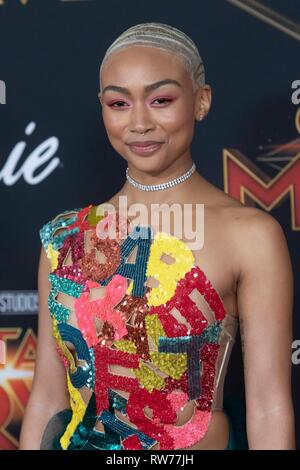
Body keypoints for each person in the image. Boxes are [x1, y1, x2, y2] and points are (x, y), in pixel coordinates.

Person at [20, 22, 295, 450]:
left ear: (201, 101)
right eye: (119, 103)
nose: (140, 123)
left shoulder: (251, 236)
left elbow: (269, 405)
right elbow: (48, 399)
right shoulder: (64, 239)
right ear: (102, 108)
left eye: (161, 99)